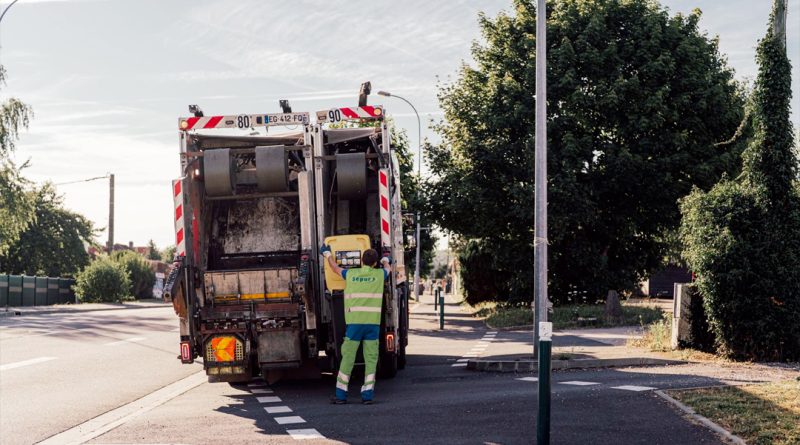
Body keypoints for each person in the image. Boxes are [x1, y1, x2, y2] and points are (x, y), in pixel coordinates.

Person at [320, 244, 391, 405]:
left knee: (348, 358)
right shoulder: (380, 275)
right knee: (371, 359)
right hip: (372, 325)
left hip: (354, 325)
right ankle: (367, 395)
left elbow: (334, 267)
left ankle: (341, 395)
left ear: (361, 260)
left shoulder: (350, 274)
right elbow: (388, 269)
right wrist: (386, 259)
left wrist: (327, 254)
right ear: (374, 263)